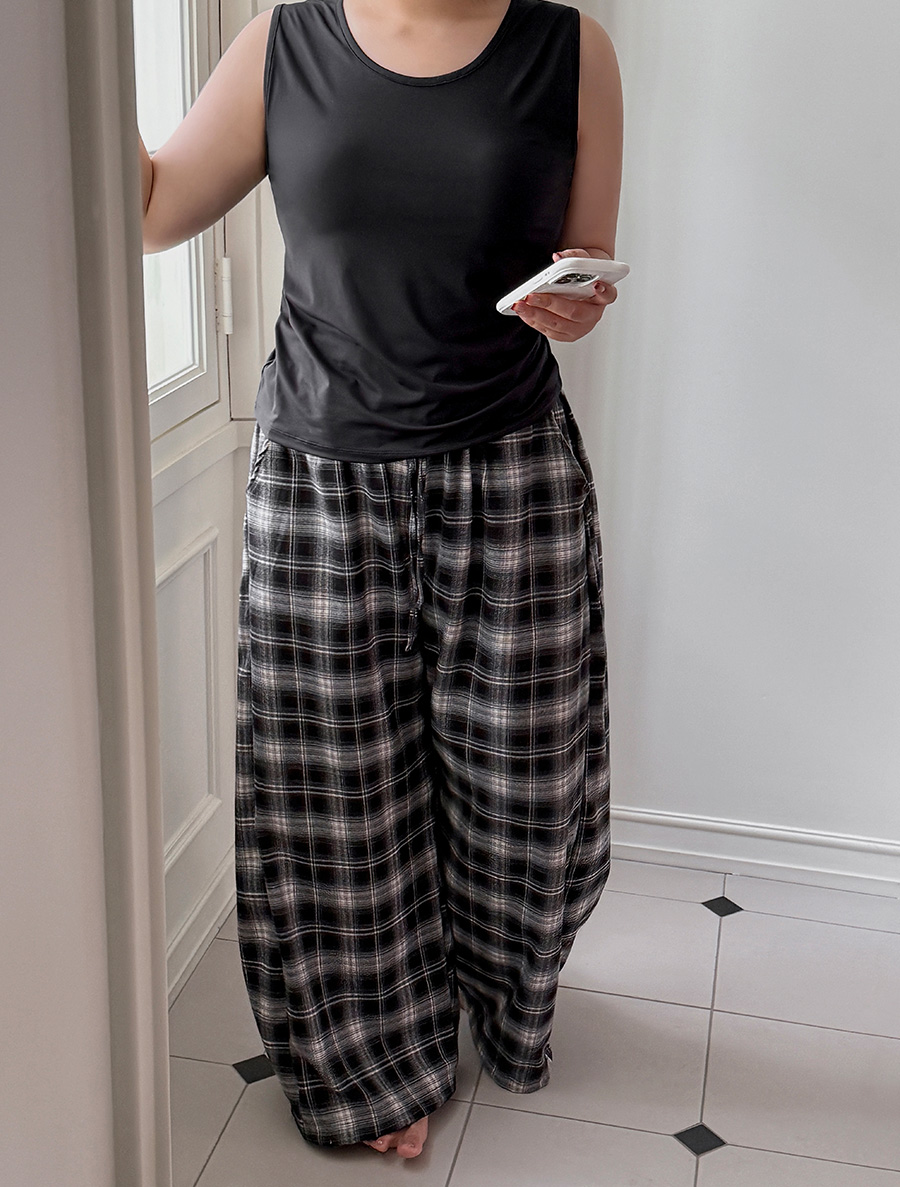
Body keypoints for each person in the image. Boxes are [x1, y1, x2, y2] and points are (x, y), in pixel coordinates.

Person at [140, 0, 623, 1161]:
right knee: (332, 790)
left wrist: (576, 303)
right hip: (320, 478)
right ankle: (372, 1059)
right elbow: (151, 212)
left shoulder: (572, 50)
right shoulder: (281, 44)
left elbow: (584, 279)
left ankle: (493, 1000)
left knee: (522, 786)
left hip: (512, 473)